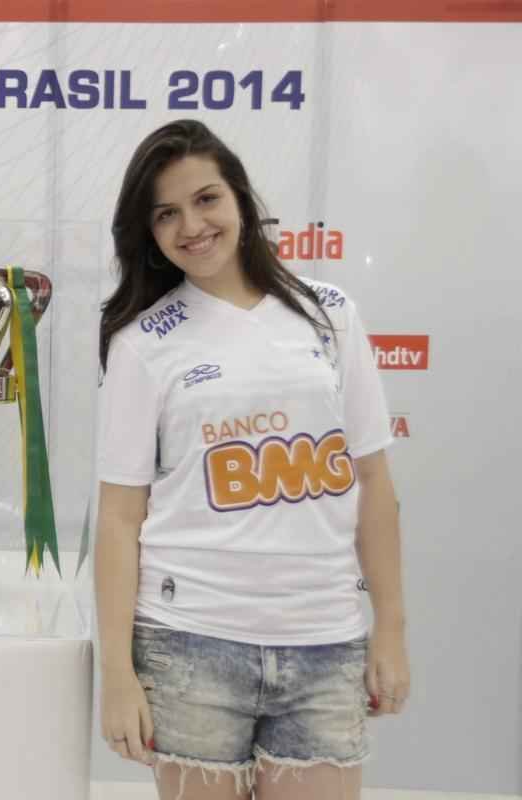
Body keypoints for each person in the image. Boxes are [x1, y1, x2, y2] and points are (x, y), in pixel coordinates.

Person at [94, 120, 409, 800]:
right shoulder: (143, 343)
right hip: (189, 648)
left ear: (239, 198)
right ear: (147, 233)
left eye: (206, 199)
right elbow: (119, 519)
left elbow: (374, 482)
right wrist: (117, 675)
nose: (192, 226)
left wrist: (391, 634)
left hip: (325, 643)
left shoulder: (330, 315)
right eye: (166, 214)